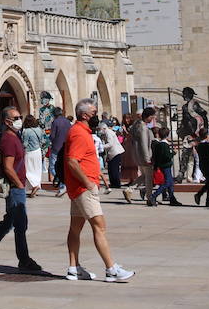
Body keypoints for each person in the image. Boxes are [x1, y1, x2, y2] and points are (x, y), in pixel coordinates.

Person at [63, 100, 135, 282]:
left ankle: (73, 268)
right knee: (99, 226)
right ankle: (111, 269)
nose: (97, 116)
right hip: (83, 189)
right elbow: (72, 161)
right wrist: (87, 182)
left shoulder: (81, 132)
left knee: (76, 227)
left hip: (79, 187)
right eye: (94, 112)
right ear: (85, 115)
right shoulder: (79, 133)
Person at [0, 106, 42, 272]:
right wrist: (19, 185)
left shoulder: (15, 136)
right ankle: (24, 259)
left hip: (18, 184)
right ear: (7, 121)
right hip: (14, 187)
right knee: (19, 224)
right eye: (16, 118)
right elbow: (7, 167)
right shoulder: (8, 139)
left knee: (12, 221)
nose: (19, 120)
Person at [122, 107, 156, 204]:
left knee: (144, 175)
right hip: (145, 156)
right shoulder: (143, 128)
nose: (152, 119)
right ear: (148, 117)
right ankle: (149, 197)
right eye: (152, 117)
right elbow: (144, 143)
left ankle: (130, 189)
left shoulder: (136, 125)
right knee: (148, 178)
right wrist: (147, 158)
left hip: (137, 155)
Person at [147, 126, 182, 206]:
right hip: (166, 166)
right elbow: (167, 156)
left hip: (161, 165)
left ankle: (172, 198)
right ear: (167, 135)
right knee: (167, 183)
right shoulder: (164, 145)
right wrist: (174, 152)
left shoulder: (158, 144)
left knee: (170, 183)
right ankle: (153, 196)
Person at [21, 114, 47, 196]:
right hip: (38, 151)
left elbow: (25, 144)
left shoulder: (26, 131)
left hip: (29, 152)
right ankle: (35, 186)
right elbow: (43, 140)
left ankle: (34, 185)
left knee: (28, 170)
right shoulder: (39, 130)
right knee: (37, 170)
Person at [193, 127, 209, 208]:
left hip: (202, 165)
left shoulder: (199, 145)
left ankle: (201, 196)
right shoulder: (207, 145)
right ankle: (206, 200)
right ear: (207, 135)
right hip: (208, 165)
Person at [48, 108, 71, 193]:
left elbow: (52, 136)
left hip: (56, 147)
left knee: (52, 166)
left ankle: (62, 182)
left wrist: (49, 139)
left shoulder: (55, 122)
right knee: (63, 166)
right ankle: (64, 183)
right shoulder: (67, 122)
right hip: (65, 147)